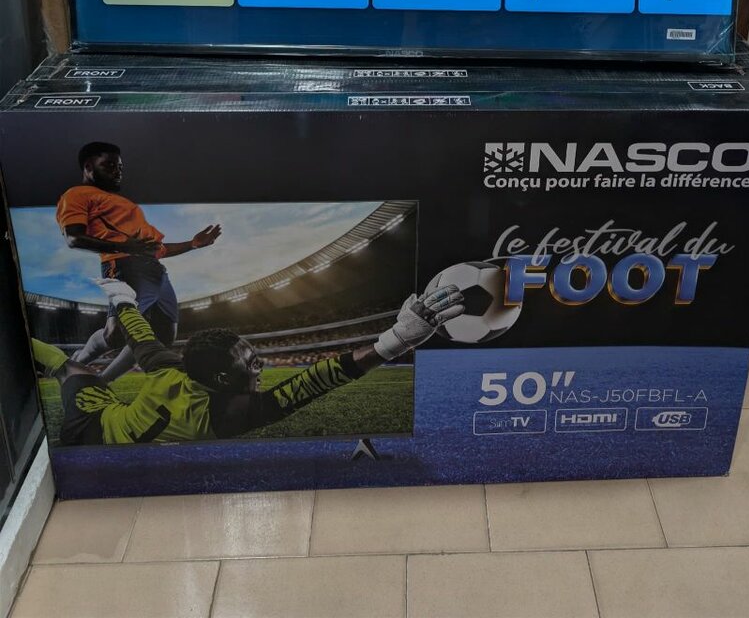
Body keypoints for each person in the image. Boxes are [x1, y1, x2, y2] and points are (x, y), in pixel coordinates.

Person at [31, 279, 464, 446]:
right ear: (222, 377)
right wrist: (394, 341)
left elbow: (140, 334)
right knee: (73, 370)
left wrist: (124, 300)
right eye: (253, 363)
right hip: (94, 433)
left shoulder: (167, 367)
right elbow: (314, 382)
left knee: (70, 369)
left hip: (101, 421)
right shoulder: (225, 416)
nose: (263, 367)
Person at [56, 141, 221, 382]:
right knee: (116, 335)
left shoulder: (127, 205)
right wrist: (125, 247)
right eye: (109, 165)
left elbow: (156, 249)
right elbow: (73, 238)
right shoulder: (77, 194)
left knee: (161, 337)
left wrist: (192, 244)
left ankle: (102, 382)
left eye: (120, 167)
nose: (117, 171)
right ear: (89, 166)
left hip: (156, 272)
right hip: (124, 265)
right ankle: (75, 364)